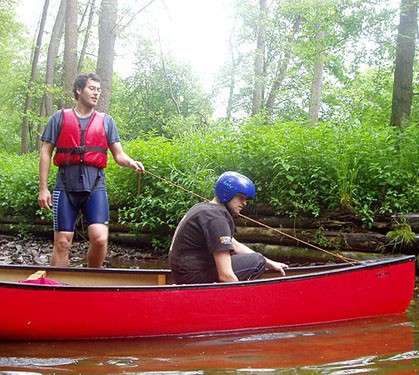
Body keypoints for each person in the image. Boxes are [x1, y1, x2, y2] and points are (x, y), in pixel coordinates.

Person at [37, 72, 144, 268]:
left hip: (95, 186)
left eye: (98, 90)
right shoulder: (59, 118)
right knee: (62, 242)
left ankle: (91, 279)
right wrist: (43, 188)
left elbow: (118, 155)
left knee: (100, 238)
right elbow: (46, 152)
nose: (96, 94)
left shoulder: (106, 121)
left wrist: (131, 162)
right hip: (65, 186)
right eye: (92, 89)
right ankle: (58, 291)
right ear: (79, 90)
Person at [169, 171, 288, 284]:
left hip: (185, 275)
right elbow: (225, 275)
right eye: (241, 197)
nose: (244, 203)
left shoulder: (206, 209)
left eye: (246, 199)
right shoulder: (216, 219)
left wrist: (271, 263)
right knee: (257, 261)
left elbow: (234, 244)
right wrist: (241, 298)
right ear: (227, 194)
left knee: (259, 258)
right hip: (194, 279)